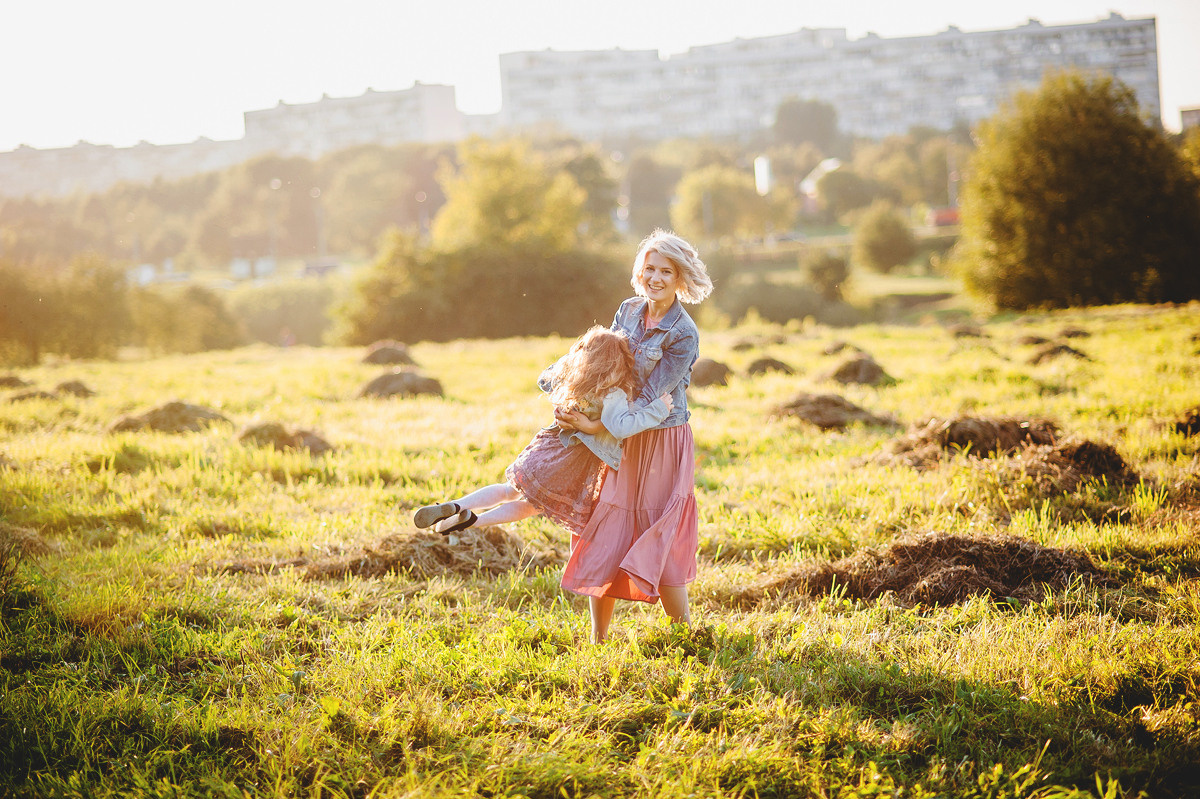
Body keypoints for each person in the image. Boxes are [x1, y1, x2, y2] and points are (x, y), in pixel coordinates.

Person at [555, 229, 713, 643]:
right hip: (618, 431)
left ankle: (684, 636)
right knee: (601, 522)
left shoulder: (683, 334)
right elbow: (606, 364)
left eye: (666, 271)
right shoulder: (627, 310)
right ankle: (598, 639)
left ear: (680, 279)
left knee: (656, 528)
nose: (655, 277)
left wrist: (596, 426)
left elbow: (649, 395)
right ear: (639, 272)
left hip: (659, 437)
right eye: (649, 268)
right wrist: (579, 402)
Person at [412, 326, 673, 536]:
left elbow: (543, 380)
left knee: (507, 490)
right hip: (573, 462)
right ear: (620, 362)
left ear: (585, 357)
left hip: (547, 448)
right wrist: (658, 409)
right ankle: (475, 521)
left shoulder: (572, 382)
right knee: (532, 505)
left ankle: (458, 506)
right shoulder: (612, 393)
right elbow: (622, 426)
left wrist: (574, 358)